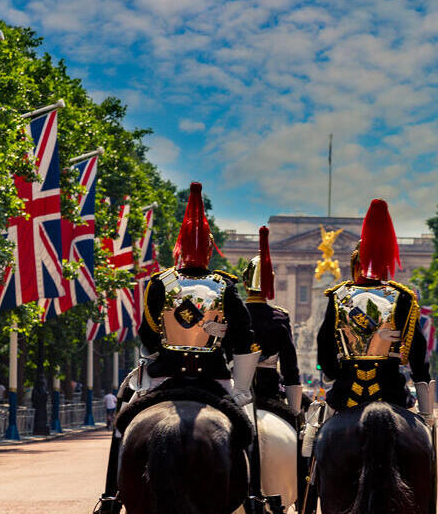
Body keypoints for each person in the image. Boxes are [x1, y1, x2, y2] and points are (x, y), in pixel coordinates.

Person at [95, 182, 259, 514]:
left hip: (163, 377)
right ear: (210, 251)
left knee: (122, 427)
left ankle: (110, 496)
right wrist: (240, 386)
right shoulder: (225, 286)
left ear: (178, 248)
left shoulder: (159, 283)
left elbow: (147, 335)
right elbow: (244, 340)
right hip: (214, 380)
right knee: (248, 432)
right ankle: (254, 498)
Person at [303, 199, 434, 456]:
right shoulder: (403, 297)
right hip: (392, 394)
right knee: (424, 451)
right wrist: (427, 412)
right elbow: (419, 357)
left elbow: (325, 349)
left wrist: (331, 374)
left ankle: (310, 492)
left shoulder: (339, 295)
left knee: (312, 443)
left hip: (345, 395)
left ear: (355, 264)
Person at [243, 226, 302, 413]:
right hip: (267, 389)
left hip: (236, 391)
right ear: (270, 284)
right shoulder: (279, 318)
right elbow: (289, 367)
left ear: (245, 283)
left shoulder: (233, 314)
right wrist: (294, 410)